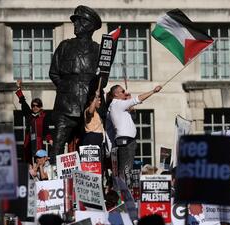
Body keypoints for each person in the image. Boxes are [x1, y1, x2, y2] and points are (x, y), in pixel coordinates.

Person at [49, 5, 108, 162]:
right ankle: (54, 178)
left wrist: (98, 88)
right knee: (58, 145)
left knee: (90, 149)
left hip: (90, 106)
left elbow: (104, 80)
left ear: (88, 25)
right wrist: (65, 88)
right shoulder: (65, 46)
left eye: (78, 21)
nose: (74, 24)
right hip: (66, 105)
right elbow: (53, 72)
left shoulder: (99, 50)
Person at [106, 84, 162, 188]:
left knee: (126, 170)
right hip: (125, 141)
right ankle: (121, 194)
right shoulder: (117, 104)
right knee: (125, 170)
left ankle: (122, 191)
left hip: (128, 141)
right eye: (122, 91)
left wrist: (129, 102)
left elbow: (132, 113)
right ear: (116, 94)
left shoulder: (118, 105)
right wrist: (153, 91)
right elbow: (138, 99)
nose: (125, 93)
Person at [15, 80, 53, 164]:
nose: (35, 107)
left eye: (37, 106)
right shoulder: (29, 115)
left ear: (41, 107)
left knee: (39, 162)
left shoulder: (44, 116)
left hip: (39, 143)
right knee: (29, 163)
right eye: (33, 106)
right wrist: (19, 88)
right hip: (29, 142)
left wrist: (50, 139)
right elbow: (23, 102)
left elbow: (46, 130)